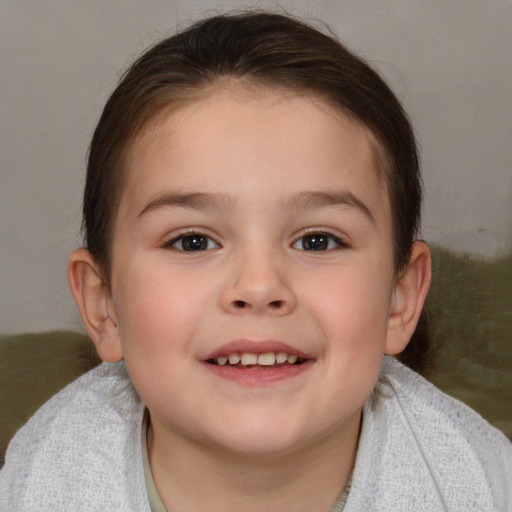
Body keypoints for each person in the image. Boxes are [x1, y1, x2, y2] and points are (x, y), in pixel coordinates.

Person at [1, 11, 510, 512]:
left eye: (317, 241)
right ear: (103, 305)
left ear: (400, 299)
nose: (260, 285)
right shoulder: (40, 486)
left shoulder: (479, 484)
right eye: (193, 242)